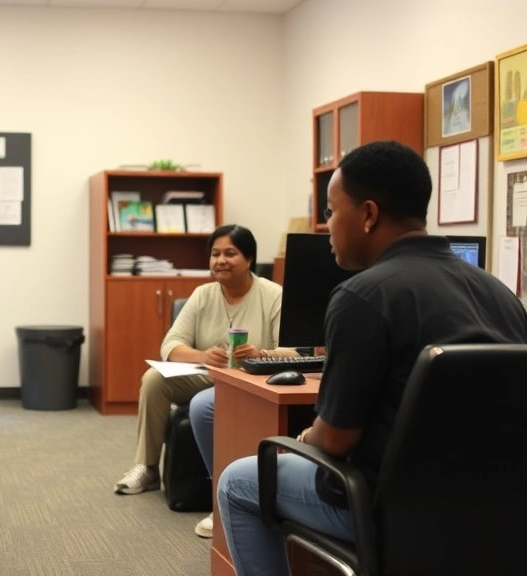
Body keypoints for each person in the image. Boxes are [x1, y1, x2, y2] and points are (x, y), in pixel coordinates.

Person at [217, 140, 527, 576]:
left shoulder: (362, 297)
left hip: (382, 504)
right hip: (494, 508)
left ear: (367, 214)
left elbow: (337, 439)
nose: (326, 226)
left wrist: (306, 438)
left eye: (330, 211)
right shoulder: (499, 294)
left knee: (238, 481)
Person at [113, 225, 295, 538]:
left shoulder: (273, 294)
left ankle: (226, 491)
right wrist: (202, 355)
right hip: (207, 374)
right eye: (215, 254)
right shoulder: (203, 294)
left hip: (252, 380)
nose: (221, 261)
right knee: (153, 379)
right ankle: (149, 468)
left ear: (249, 258)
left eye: (230, 253)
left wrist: (261, 353)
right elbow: (170, 346)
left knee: (202, 406)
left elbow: (291, 350)